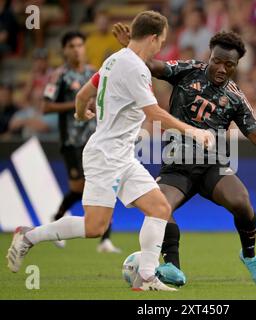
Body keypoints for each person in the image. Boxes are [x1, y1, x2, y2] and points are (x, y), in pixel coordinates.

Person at [6, 10, 214, 292]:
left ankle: (147, 277)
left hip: (122, 155)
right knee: (95, 227)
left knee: (160, 208)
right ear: (152, 38)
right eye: (161, 41)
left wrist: (81, 114)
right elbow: (153, 112)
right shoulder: (135, 68)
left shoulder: (114, 60)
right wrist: (194, 131)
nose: (161, 47)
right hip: (105, 155)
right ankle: (29, 236)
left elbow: (82, 96)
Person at [112, 25, 256, 286]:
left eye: (229, 65)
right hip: (177, 166)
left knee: (242, 202)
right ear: (209, 56)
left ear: (236, 66)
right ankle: (173, 267)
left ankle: (249, 255)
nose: (222, 68)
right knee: (159, 209)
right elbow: (152, 66)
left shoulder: (235, 98)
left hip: (212, 165)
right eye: (217, 61)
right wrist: (130, 49)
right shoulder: (188, 70)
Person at [41, 31, 120, 253]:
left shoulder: (93, 72)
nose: (77, 50)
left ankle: (105, 240)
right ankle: (56, 219)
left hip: (95, 140)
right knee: (79, 189)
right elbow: (45, 107)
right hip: (72, 141)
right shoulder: (59, 75)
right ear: (64, 50)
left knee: (103, 185)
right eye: (72, 46)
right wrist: (78, 103)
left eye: (80, 45)